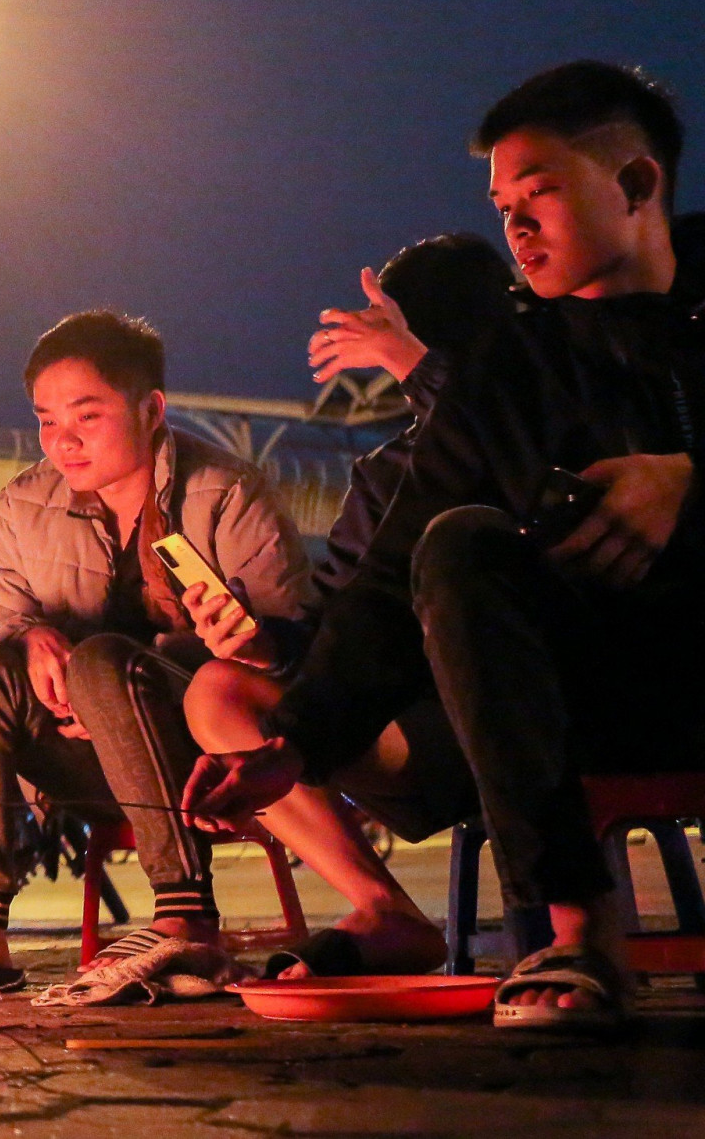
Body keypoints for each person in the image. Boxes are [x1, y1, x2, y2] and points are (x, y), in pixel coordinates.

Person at [186, 61, 705, 1031]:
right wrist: (290, 744)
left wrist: (687, 476)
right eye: (501, 205)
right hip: (599, 690)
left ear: (635, 185)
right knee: (455, 543)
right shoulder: (506, 372)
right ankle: (575, 931)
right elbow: (384, 585)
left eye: (538, 195)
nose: (514, 225)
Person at [0, 311, 311, 994]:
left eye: (86, 416)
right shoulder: (25, 505)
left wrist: (199, 649)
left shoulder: (226, 492)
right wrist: (29, 635)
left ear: (151, 409)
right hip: (76, 759)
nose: (64, 442)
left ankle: (186, 915)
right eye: (46, 420)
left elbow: (291, 654)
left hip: (205, 761)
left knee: (99, 661)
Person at [180, 235, 516, 978]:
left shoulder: (545, 416)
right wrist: (261, 643)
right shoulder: (387, 469)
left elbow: (496, 441)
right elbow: (345, 624)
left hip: (528, 702)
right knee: (219, 688)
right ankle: (386, 909)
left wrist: (414, 364)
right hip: (412, 727)